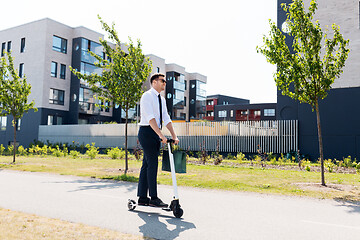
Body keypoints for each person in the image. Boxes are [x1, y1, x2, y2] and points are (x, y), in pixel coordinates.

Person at [137, 73, 179, 208]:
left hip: (155, 133)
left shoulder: (161, 99)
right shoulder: (147, 96)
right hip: (146, 132)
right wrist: (161, 135)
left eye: (165, 81)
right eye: (163, 81)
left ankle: (142, 198)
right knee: (153, 164)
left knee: (147, 164)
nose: (165, 83)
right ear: (154, 82)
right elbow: (150, 118)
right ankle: (153, 198)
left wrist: (174, 136)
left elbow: (166, 118)